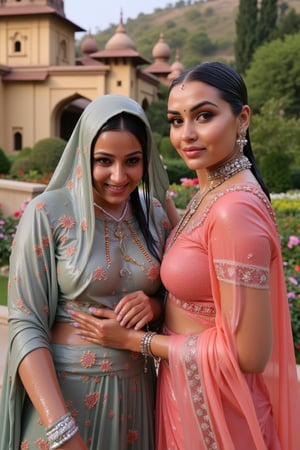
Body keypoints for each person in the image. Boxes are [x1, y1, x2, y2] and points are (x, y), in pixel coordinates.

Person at [67, 62, 300, 450]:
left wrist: (132, 341)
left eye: (204, 116)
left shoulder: (233, 209)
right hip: (194, 396)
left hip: (220, 416)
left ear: (242, 119)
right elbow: (198, 299)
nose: (186, 135)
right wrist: (157, 308)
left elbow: (249, 354)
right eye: (176, 120)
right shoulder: (213, 192)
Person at [0, 94, 178, 450]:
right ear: (84, 155)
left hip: (137, 396)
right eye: (104, 161)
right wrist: (61, 430)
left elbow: (182, 299)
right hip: (66, 398)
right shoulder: (47, 213)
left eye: (132, 161)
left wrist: (155, 305)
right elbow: (25, 324)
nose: (118, 175)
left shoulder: (154, 214)